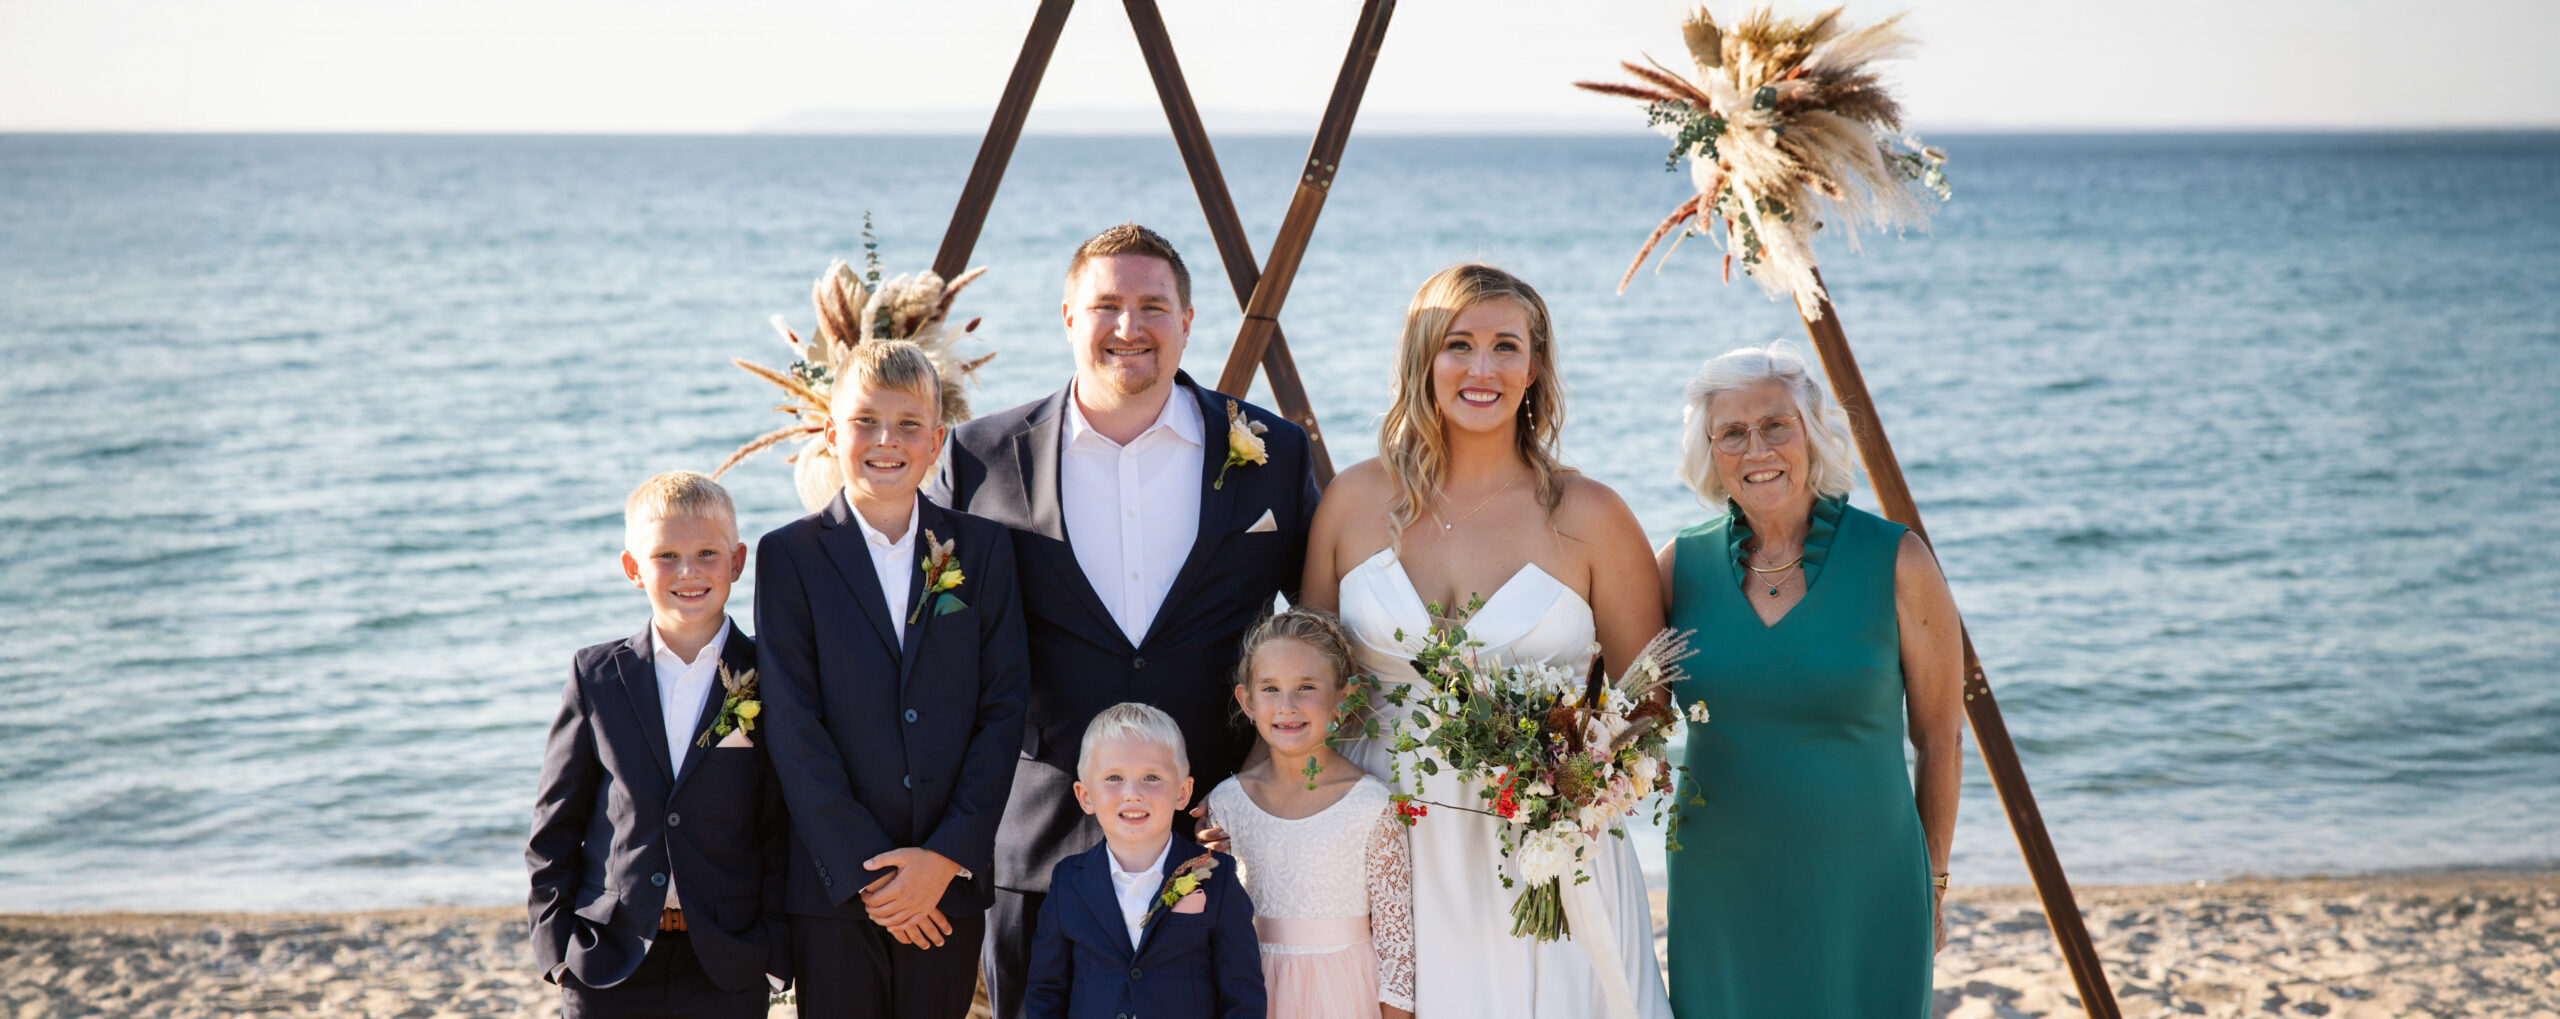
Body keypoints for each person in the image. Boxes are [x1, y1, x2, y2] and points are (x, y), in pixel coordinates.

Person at [935, 222, 1321, 1018]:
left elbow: (1318, 637)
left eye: (1153, 305)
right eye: (1106, 304)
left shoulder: (1273, 454)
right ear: (1068, 316)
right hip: (1036, 850)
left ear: (1188, 320)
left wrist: (1264, 785)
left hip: (1213, 848)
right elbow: (933, 653)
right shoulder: (976, 457)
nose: (1129, 326)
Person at [1299, 263, 1673, 1018]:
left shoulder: (1592, 514)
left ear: (1534, 367)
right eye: (1458, 344)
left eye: (1507, 346)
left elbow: (1649, 705)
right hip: (1382, 840)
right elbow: (1306, 684)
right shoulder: (1351, 500)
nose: (1481, 368)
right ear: (1422, 358)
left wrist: (1568, 775)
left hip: (1541, 856)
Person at [1655, 343, 1963, 1018]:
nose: (1756, 448)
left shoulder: (1898, 560)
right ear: (1710, 451)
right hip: (1720, 887)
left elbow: (1940, 740)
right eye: (1732, 432)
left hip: (1869, 886)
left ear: (1812, 433)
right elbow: (1623, 720)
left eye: (1775, 425)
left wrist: (1932, 882)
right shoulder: (1679, 566)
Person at [755, 341, 1030, 1019]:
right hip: (835, 889)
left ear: (936, 440)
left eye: (909, 424)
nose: (887, 441)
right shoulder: (789, 556)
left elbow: (1003, 710)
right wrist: (868, 873)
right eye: (865, 421)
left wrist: (943, 859)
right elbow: (793, 725)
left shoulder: (983, 549)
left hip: (947, 886)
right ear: (831, 433)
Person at [526, 470, 789, 1019]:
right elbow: (556, 825)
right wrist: (556, 953)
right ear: (632, 568)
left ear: (737, 562)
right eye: (665, 555)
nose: (688, 572)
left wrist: (774, 952)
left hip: (727, 960)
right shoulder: (596, 675)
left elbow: (782, 826)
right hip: (608, 960)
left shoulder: (772, 674)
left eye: (707, 554)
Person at [1204, 609, 1416, 1019]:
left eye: (1305, 687)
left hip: (1343, 996)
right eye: (1270, 688)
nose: (1287, 706)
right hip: (1251, 995)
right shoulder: (1228, 803)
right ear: (1246, 700)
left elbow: (1397, 952)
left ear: (1343, 696)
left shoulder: (1371, 805)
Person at [1022, 703, 1266, 1019]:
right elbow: (1046, 991)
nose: (1133, 793)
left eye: (1151, 777)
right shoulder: (1068, 880)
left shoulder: (1215, 875)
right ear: (1085, 797)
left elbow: (1242, 995)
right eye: (1114, 777)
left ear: (1183, 791)